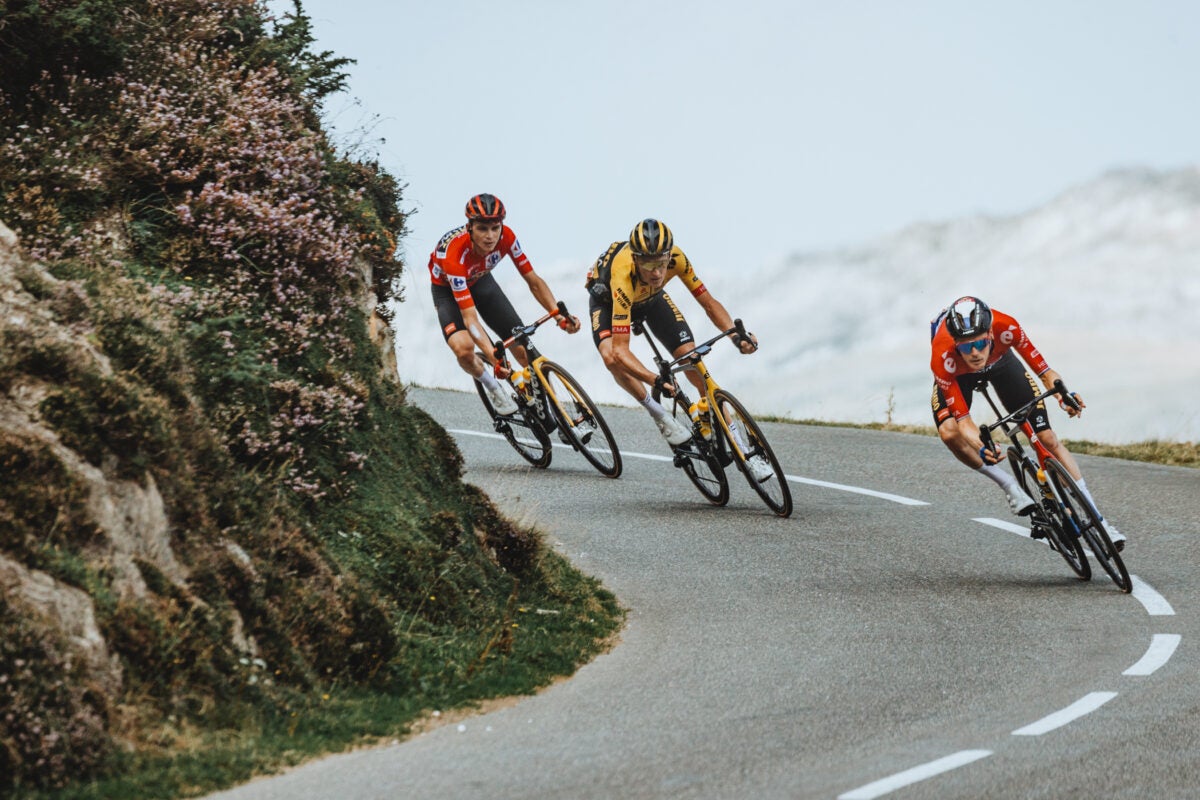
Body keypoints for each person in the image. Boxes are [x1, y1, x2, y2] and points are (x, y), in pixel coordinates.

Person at [930, 296, 1125, 550]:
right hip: (959, 376)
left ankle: (1100, 522)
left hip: (1001, 364)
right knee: (949, 432)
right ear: (956, 344)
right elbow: (965, 423)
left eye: (980, 343)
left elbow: (1046, 373)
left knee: (1047, 438)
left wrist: (1063, 396)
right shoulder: (942, 355)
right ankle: (1009, 485)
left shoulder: (1007, 327)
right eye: (967, 347)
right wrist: (983, 445)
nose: (975, 353)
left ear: (990, 333)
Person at [586, 218, 771, 480]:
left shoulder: (677, 258)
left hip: (651, 299)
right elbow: (620, 350)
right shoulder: (622, 274)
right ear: (636, 259)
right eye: (648, 264)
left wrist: (735, 335)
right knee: (610, 357)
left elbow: (708, 302)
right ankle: (660, 415)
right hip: (608, 303)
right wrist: (654, 380)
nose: (657, 272)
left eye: (661, 263)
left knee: (690, 357)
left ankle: (742, 449)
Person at [429, 193, 580, 416]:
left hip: (481, 281)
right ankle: (493, 388)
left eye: (495, 228)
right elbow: (470, 318)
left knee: (522, 350)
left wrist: (558, 316)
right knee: (463, 349)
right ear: (469, 227)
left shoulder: (507, 237)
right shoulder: (455, 255)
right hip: (447, 291)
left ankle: (560, 413)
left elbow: (534, 281)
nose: (490, 236)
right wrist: (493, 357)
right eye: (482, 228)